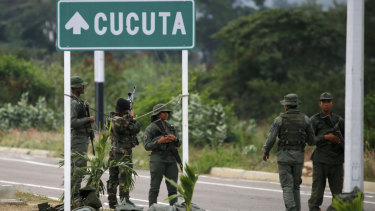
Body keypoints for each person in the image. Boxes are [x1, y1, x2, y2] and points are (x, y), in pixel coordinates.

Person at [262, 93, 315, 211]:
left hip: (284, 157)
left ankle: (291, 209)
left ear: (286, 106)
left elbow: (271, 138)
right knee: (296, 186)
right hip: (298, 157)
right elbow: (312, 140)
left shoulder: (279, 119)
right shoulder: (305, 119)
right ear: (296, 105)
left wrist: (266, 151)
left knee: (287, 186)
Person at [308, 92, 344, 211]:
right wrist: (326, 137)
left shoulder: (339, 120)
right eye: (324, 102)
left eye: (328, 101)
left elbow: (347, 139)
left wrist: (339, 142)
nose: (326, 104)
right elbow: (310, 140)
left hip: (336, 161)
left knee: (338, 195)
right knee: (317, 193)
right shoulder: (314, 120)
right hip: (321, 160)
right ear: (320, 103)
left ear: (332, 103)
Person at [143, 104, 182, 207]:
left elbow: (179, 143)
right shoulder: (151, 128)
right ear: (157, 114)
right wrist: (159, 141)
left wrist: (175, 139)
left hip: (171, 159)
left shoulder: (171, 127)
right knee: (155, 188)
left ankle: (174, 208)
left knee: (173, 189)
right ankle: (152, 208)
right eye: (163, 112)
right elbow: (147, 146)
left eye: (167, 112)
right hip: (157, 159)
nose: (166, 114)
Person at [106, 98, 141, 209]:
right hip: (123, 152)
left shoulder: (110, 118)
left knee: (113, 177)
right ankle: (124, 201)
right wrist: (131, 117)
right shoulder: (121, 121)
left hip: (113, 151)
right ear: (125, 110)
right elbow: (136, 128)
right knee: (124, 176)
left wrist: (128, 117)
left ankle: (112, 202)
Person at [70, 76, 95, 197]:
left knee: (79, 167)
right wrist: (88, 119)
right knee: (78, 167)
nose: (84, 87)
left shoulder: (78, 101)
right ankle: (74, 195)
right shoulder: (74, 102)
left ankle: (74, 194)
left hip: (82, 138)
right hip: (78, 139)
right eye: (82, 85)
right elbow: (73, 122)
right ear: (76, 87)